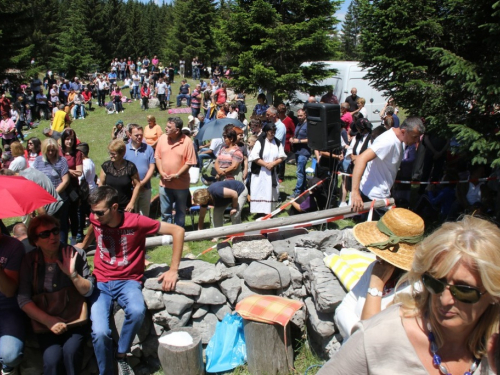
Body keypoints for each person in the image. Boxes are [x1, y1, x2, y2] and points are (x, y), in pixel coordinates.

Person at [318, 215, 500, 375]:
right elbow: (347, 310)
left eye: (463, 290)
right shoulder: (376, 272)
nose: (444, 299)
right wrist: (361, 338)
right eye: (435, 282)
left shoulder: (413, 286)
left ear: (494, 294)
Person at [82, 186, 184, 374]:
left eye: (99, 212)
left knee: (137, 311)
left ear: (114, 207)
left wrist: (173, 269)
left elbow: (177, 231)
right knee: (100, 332)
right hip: (101, 281)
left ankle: (121, 355)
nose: (95, 217)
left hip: (128, 280)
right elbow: (92, 226)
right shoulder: (96, 218)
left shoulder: (136, 221)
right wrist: (84, 244)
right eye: (93, 212)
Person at [18, 215, 93, 375]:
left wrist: (72, 274)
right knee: (52, 361)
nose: (52, 237)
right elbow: (23, 299)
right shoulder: (29, 261)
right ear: (35, 241)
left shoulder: (75, 254)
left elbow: (88, 290)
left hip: (74, 319)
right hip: (45, 322)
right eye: (45, 234)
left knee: (71, 354)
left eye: (55, 231)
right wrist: (49, 321)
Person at [334, 208, 424, 340]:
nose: (376, 257)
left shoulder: (413, 290)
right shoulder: (376, 268)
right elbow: (343, 308)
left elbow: (370, 338)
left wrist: (376, 286)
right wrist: (356, 335)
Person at [351, 117, 425, 215]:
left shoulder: (400, 141)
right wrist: (355, 193)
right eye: (414, 137)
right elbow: (361, 159)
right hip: (373, 196)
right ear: (403, 131)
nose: (416, 141)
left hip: (382, 195)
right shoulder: (387, 141)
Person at [155, 117, 197, 227]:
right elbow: (158, 157)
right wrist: (161, 171)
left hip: (181, 185)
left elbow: (190, 162)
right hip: (164, 183)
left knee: (181, 212)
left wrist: (177, 175)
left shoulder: (187, 142)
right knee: (165, 212)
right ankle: (167, 235)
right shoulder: (162, 138)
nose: (165, 128)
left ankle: (179, 233)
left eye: (169, 127)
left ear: (177, 130)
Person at [34, 138, 71, 243]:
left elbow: (66, 181)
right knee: (46, 227)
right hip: (43, 201)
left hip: (60, 200)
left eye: (53, 150)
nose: (51, 153)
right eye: (48, 150)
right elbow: (35, 180)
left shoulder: (62, 161)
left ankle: (62, 248)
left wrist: (53, 194)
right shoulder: (38, 161)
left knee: (61, 226)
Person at [0, 231, 25, 374]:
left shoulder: (14, 246)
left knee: (11, 355)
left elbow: (9, 291)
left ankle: (6, 365)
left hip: (7, 307)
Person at [249, 123, 287, 215]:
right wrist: (266, 164)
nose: (272, 133)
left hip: (272, 171)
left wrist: (273, 164)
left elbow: (282, 156)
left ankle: (269, 210)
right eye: (271, 132)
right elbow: (254, 156)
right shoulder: (260, 142)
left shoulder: (277, 143)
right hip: (260, 171)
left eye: (274, 132)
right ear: (266, 132)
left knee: (270, 190)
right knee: (260, 189)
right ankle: (260, 211)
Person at [100, 139, 141, 212]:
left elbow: (137, 185)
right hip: (110, 206)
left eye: (113, 154)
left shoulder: (130, 167)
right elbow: (101, 185)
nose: (110, 156)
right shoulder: (106, 166)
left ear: (122, 153)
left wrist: (132, 203)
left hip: (126, 206)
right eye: (110, 153)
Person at [124, 124, 155, 217]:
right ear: (129, 135)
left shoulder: (148, 148)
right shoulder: (124, 149)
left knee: (144, 215)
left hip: (145, 187)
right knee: (131, 215)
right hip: (129, 188)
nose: (139, 137)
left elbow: (152, 167)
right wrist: (134, 183)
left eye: (141, 134)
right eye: (136, 135)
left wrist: (142, 183)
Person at [60, 129, 83, 245]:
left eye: (71, 139)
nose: (69, 142)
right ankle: (62, 239)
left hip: (73, 188)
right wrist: (69, 171)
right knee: (62, 215)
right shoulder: (59, 152)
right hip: (61, 188)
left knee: (74, 213)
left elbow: (79, 172)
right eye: (67, 139)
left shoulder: (77, 153)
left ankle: (74, 238)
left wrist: (65, 171)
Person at [288, 108, 310, 198]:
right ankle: (303, 189)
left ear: (305, 115)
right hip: (297, 151)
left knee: (299, 172)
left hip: (304, 152)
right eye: (298, 116)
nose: (299, 117)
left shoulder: (308, 126)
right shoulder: (298, 124)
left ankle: (297, 191)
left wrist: (298, 141)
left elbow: (310, 139)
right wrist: (292, 139)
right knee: (302, 172)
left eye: (301, 115)